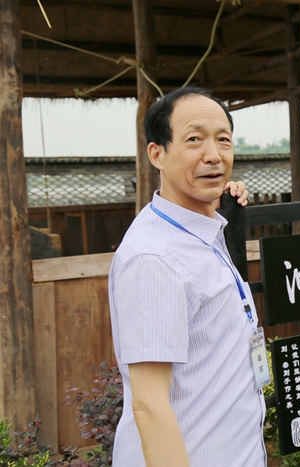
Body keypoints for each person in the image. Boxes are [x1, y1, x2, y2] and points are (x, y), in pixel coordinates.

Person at [108, 86, 267, 467]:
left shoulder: (202, 228)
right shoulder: (154, 257)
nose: (213, 155)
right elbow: (149, 405)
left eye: (223, 140)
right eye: (194, 140)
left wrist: (220, 197)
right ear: (157, 154)